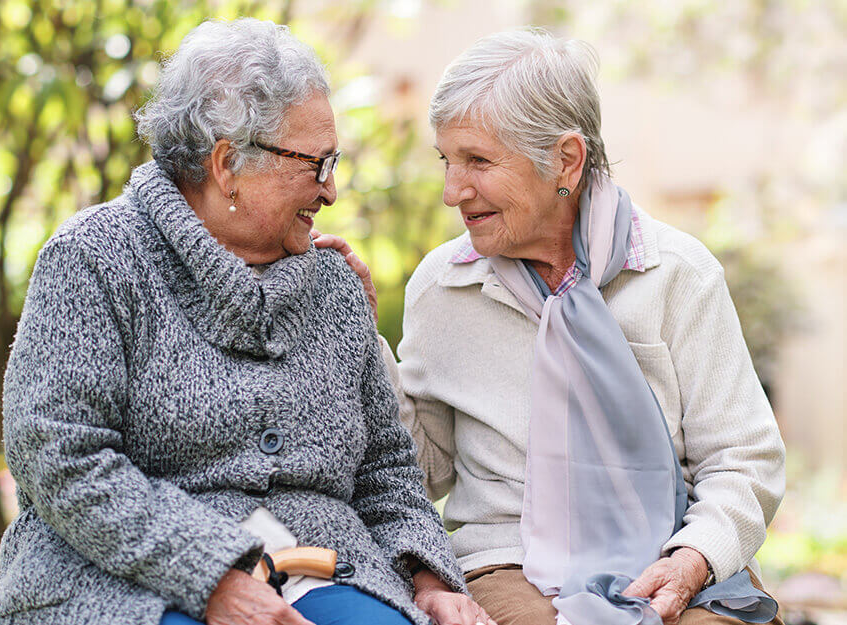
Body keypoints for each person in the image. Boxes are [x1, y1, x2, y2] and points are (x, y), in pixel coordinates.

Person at [0, 19, 496, 625]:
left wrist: (431, 581)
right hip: (127, 575)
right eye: (317, 164)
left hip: (325, 566)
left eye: (335, 162)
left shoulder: (331, 282)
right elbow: (62, 459)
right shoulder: (93, 260)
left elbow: (386, 469)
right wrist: (214, 579)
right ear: (227, 164)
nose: (330, 191)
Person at [318, 28, 786, 625]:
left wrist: (693, 558)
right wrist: (359, 338)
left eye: (478, 161)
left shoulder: (678, 275)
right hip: (507, 562)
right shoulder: (443, 287)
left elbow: (744, 459)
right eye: (447, 160)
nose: (451, 191)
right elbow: (421, 469)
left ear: (565, 159)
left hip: (670, 552)